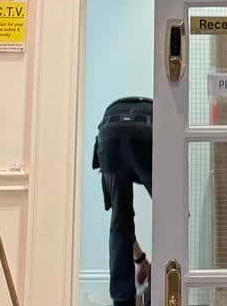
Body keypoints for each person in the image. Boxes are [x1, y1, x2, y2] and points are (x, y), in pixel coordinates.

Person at [93, 95, 153, 306]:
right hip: (148, 130)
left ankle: (122, 301)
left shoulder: (107, 154)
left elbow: (123, 225)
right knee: (171, 215)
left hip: (109, 134)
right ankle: (161, 290)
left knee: (120, 218)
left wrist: (140, 260)